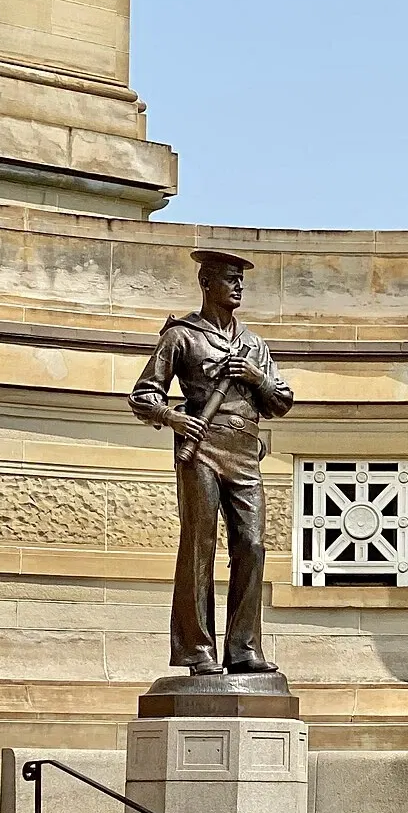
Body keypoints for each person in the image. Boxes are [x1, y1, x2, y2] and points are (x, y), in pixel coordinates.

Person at [128, 249, 294, 676]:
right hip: (200, 448)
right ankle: (196, 649)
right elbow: (143, 395)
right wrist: (173, 417)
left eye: (241, 279)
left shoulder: (254, 344)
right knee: (199, 548)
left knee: (252, 546)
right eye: (229, 278)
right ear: (206, 283)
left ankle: (244, 649)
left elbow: (281, 402)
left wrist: (256, 376)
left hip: (245, 451)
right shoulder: (182, 336)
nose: (238, 286)